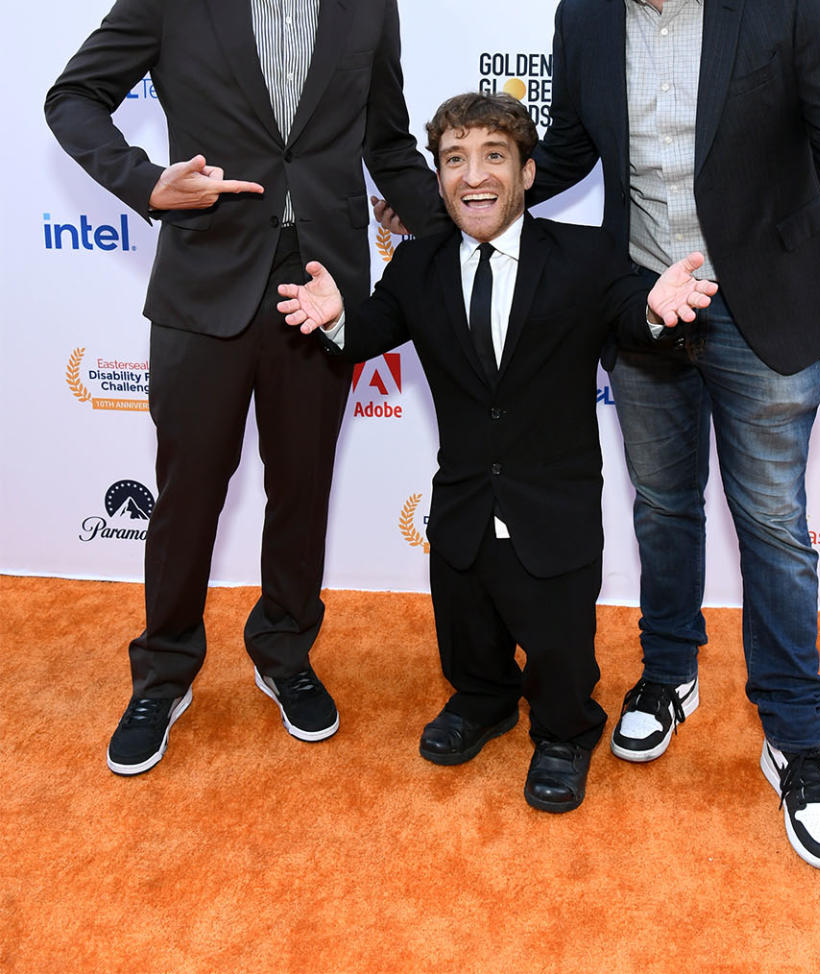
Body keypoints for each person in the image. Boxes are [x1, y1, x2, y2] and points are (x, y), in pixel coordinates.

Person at [526, 0, 820, 866]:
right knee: (660, 509)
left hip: (763, 309)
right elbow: (561, 157)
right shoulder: (581, 16)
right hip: (645, 305)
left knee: (776, 531)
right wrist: (453, 187)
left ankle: (796, 742)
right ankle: (670, 669)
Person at [45, 0, 447, 777]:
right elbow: (74, 97)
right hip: (202, 289)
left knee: (303, 489)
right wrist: (145, 183)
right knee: (187, 496)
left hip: (323, 294)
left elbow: (388, 145)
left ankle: (283, 651)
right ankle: (164, 671)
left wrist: (464, 224)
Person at [278, 92, 717, 813]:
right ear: (438, 177)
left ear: (527, 173)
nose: (472, 175)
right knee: (467, 629)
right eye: (454, 160)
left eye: (492, 157)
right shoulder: (417, 265)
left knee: (559, 644)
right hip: (462, 502)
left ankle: (565, 732)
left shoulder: (581, 255)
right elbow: (370, 330)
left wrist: (653, 308)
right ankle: (483, 702)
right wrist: (335, 321)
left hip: (554, 505)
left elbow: (629, 313)